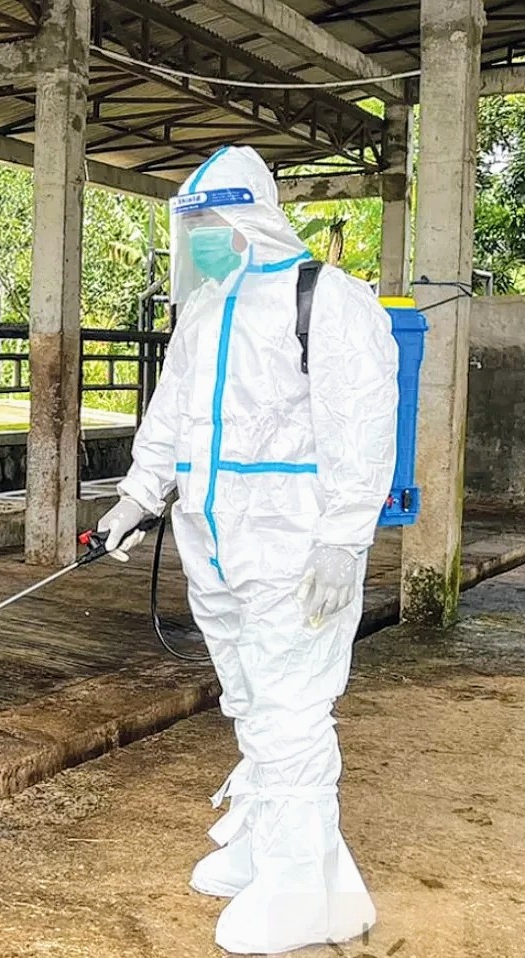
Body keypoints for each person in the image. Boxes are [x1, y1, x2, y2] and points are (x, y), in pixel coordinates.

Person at [98, 146, 398, 955]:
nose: (199, 239)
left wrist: (343, 539)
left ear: (250, 218)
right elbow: (170, 418)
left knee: (291, 709)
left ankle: (299, 892)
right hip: (212, 540)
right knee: (248, 697)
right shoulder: (205, 311)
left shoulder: (327, 301)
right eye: (190, 224)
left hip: (294, 542)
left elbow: (362, 426)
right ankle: (276, 848)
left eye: (209, 222)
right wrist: (136, 497)